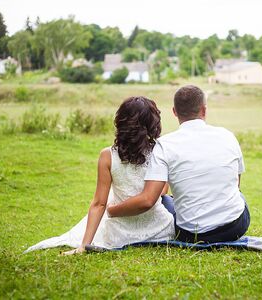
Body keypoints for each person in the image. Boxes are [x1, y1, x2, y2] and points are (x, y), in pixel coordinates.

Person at [24, 97, 174, 254]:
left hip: (120, 236)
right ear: (153, 123)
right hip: (160, 232)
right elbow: (161, 191)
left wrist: (84, 245)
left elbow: (99, 204)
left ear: (121, 122)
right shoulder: (161, 150)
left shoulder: (107, 155)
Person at [108, 85, 250, 243]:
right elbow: (236, 184)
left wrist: (111, 210)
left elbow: (148, 200)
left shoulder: (164, 145)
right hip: (234, 227)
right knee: (239, 196)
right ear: (204, 110)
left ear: (174, 112)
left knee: (166, 201)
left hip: (190, 234)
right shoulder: (228, 136)